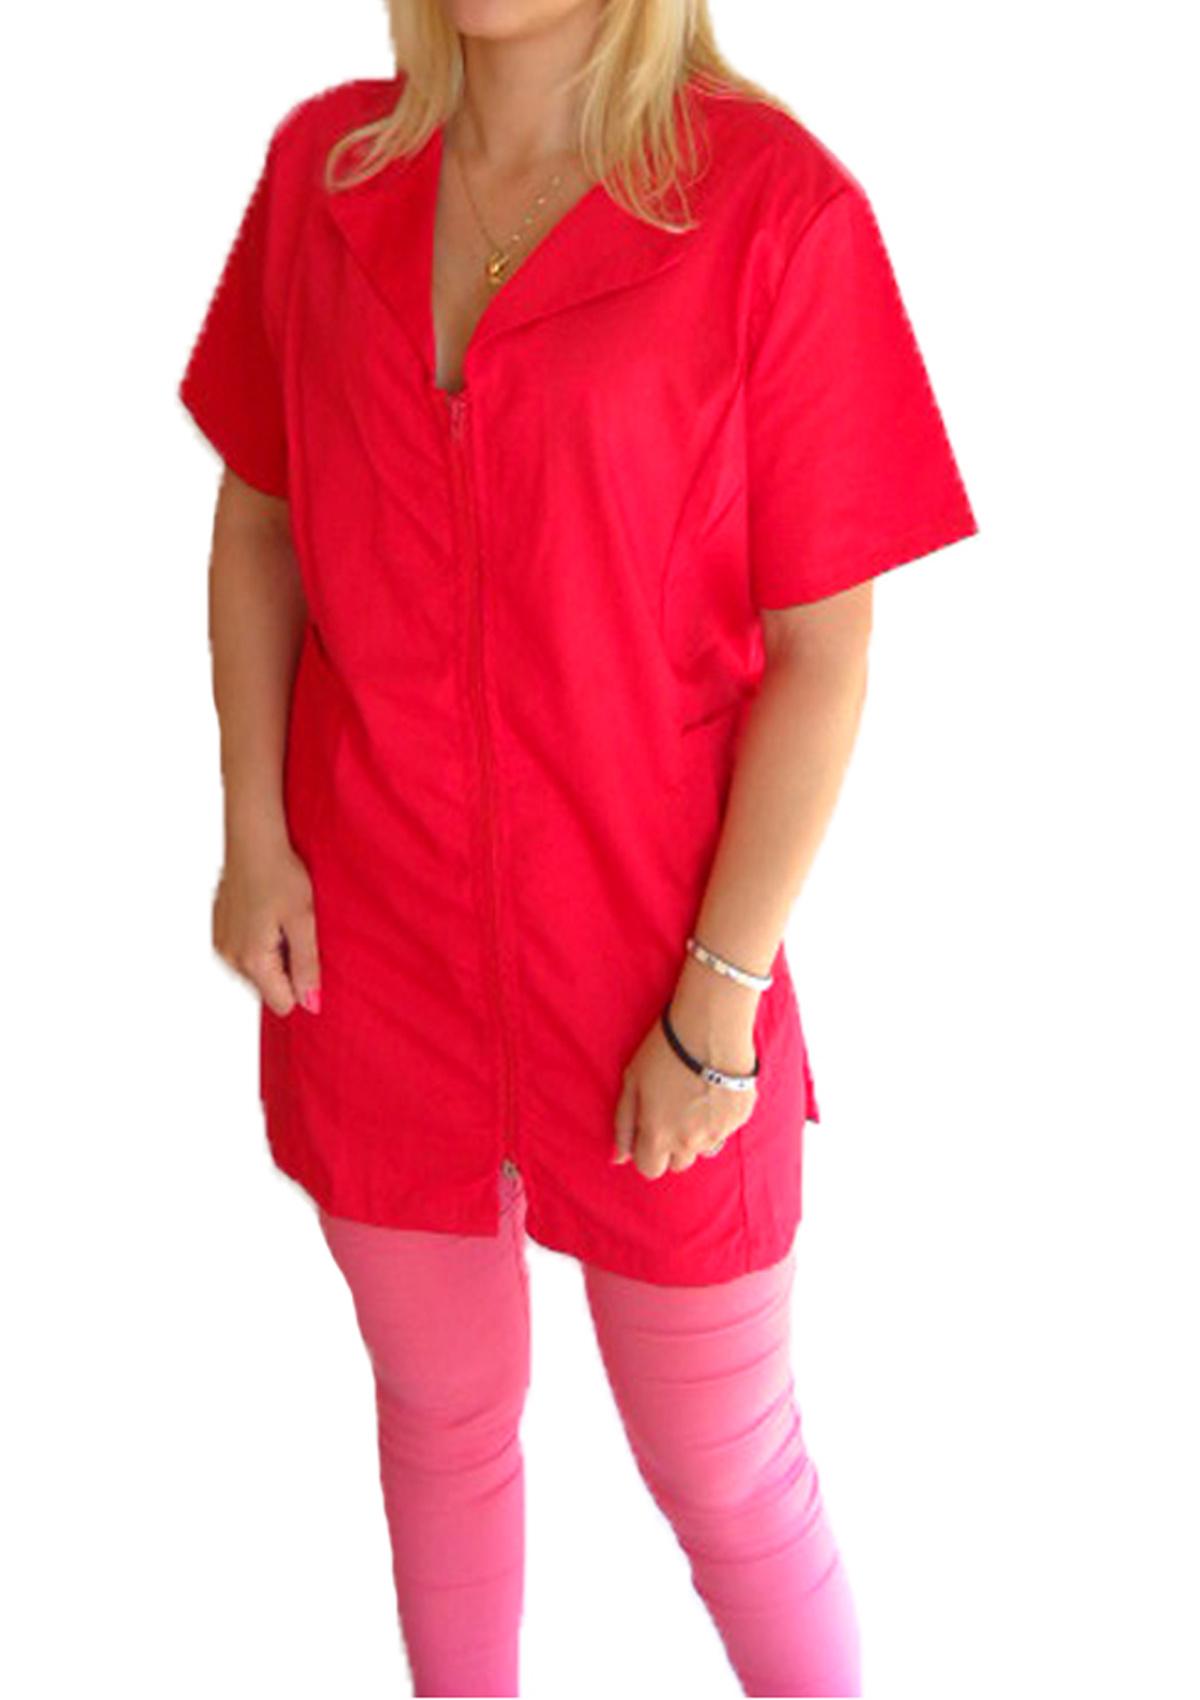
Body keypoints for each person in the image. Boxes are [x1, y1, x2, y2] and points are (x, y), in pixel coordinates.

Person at [178, 2, 978, 1693]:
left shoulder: (773, 210)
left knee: (730, 1471)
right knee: (439, 1426)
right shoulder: (325, 174)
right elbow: (259, 521)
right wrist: (254, 833)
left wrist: (718, 1001)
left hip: (656, 968)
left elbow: (826, 650)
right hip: (372, 950)